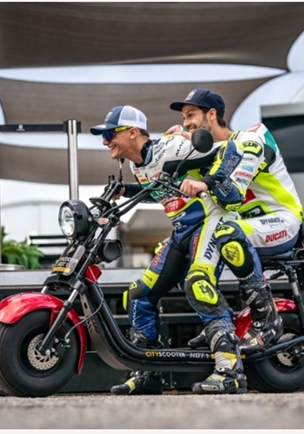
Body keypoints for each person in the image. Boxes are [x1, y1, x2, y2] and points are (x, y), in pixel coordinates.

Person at [90, 105, 248, 395]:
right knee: (139, 295)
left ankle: (230, 372)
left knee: (198, 284)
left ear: (133, 132)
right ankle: (148, 375)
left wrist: (206, 183)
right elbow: (161, 193)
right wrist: (127, 191)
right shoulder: (137, 165)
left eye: (110, 134)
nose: (105, 141)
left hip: (210, 221)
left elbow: (233, 150)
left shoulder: (171, 147)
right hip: (182, 229)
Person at [169, 88, 304, 352]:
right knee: (194, 243)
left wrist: (206, 182)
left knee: (226, 232)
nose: (186, 124)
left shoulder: (253, 137)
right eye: (184, 119)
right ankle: (220, 324)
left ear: (212, 114)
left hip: (282, 221)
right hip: (246, 227)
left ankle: (266, 319)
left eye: (191, 115)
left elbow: (235, 177)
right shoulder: (208, 155)